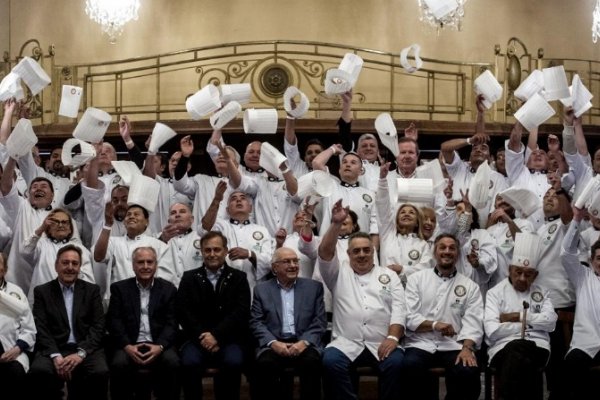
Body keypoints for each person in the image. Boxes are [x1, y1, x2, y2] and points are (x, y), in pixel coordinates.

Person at [317, 200, 405, 400]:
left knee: (398, 363)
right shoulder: (338, 272)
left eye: (367, 250)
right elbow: (324, 252)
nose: (362, 254)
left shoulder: (389, 275)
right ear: (348, 254)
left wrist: (392, 338)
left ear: (373, 252)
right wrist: (336, 224)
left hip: (381, 342)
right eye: (356, 251)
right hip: (346, 343)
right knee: (330, 361)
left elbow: (399, 310)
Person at [402, 233, 484, 400]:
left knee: (468, 371)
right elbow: (409, 317)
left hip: (453, 345)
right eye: (442, 247)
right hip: (420, 343)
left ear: (458, 254)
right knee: (410, 366)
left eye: (452, 248)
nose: (447, 251)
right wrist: (435, 325)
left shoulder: (470, 286)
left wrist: (467, 348)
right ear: (435, 252)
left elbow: (474, 322)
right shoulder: (416, 279)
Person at [176, 231, 251, 400]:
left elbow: (241, 311)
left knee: (234, 362)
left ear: (225, 251)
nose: (212, 254)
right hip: (196, 339)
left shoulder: (239, 278)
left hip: (229, 339)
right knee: (188, 363)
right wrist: (204, 337)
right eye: (207, 250)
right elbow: (184, 312)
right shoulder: (189, 278)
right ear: (201, 252)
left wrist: (217, 336)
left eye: (216, 250)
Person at [29, 244, 108, 400]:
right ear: (56, 266)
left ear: (80, 267)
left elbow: (98, 326)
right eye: (65, 263)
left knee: (100, 371)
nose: (70, 267)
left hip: (85, 347)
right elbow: (41, 328)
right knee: (39, 370)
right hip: (54, 347)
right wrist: (55, 355)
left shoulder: (92, 290)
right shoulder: (42, 291)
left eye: (75, 263)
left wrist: (80, 354)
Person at [484, 232, 557, 400]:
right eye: (518, 272)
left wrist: (518, 317)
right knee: (519, 351)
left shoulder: (542, 292)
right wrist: (532, 324)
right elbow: (493, 331)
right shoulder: (495, 293)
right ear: (509, 270)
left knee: (521, 353)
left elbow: (551, 322)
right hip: (502, 348)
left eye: (528, 274)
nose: (522, 278)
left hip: (539, 347)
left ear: (536, 275)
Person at [249, 247, 326, 400]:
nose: (293, 265)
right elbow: (256, 322)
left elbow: (320, 321)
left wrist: (304, 342)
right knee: (264, 365)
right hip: (274, 342)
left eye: (295, 261)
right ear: (274, 267)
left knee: (311, 363)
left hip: (304, 342)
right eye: (286, 261)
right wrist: (273, 343)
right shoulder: (261, 290)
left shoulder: (313, 288)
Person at [106, 246, 180, 400]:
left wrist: (159, 347)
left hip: (159, 344)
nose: (145, 266)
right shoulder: (119, 289)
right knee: (119, 363)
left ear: (156, 265)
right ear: (133, 266)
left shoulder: (168, 289)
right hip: (129, 344)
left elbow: (172, 323)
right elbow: (114, 321)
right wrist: (127, 346)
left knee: (172, 362)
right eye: (140, 262)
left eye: (149, 262)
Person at [560, 205, 600, 400]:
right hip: (585, 344)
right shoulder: (583, 276)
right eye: (599, 258)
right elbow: (566, 254)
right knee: (571, 368)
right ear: (592, 261)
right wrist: (576, 219)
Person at [376, 162, 434, 281]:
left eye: (411, 213)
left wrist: (402, 270)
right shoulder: (388, 235)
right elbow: (382, 207)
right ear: (396, 220)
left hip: (412, 293)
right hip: (387, 289)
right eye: (402, 212)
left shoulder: (422, 245)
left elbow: (427, 269)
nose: (406, 214)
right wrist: (382, 180)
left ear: (418, 222)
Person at [0, 252, 36, 399]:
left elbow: (29, 328)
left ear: (5, 268)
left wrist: (17, 349)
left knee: (16, 372)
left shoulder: (16, 292)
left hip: (12, 351)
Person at [157, 202, 203, 287]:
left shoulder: (201, 238)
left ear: (192, 219)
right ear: (169, 221)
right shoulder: (158, 238)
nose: (177, 215)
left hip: (196, 289)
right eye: (173, 213)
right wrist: (162, 240)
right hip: (166, 292)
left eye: (182, 211)